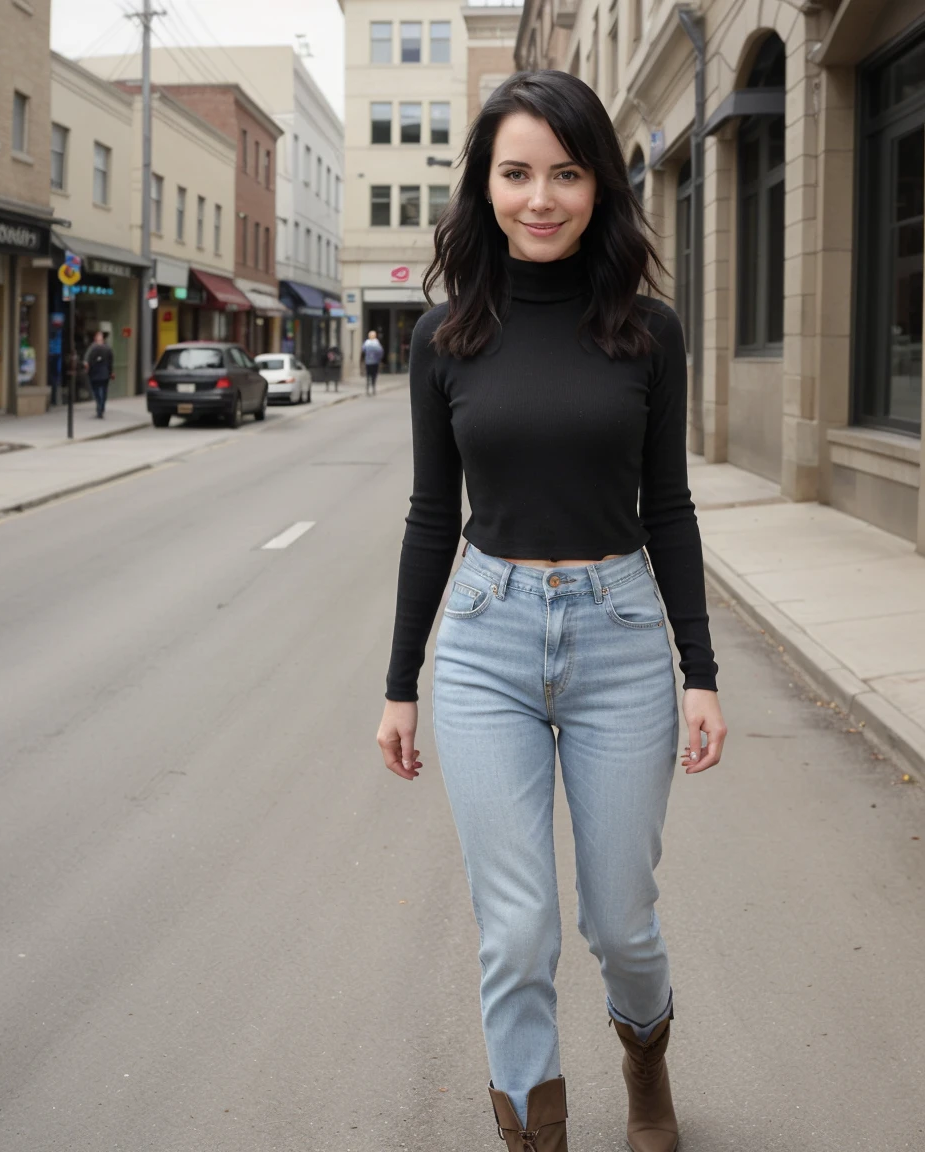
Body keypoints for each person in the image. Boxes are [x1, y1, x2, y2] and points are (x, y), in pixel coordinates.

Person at [376, 71, 726, 1152]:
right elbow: (433, 515)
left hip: (621, 640)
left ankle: (645, 1057)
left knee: (620, 922)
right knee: (516, 931)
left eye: (564, 173)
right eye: (516, 173)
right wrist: (401, 685)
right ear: (484, 187)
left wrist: (698, 666)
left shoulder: (648, 330)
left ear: (598, 186)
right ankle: (536, 1130)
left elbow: (664, 506)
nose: (540, 197)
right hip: (485, 638)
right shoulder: (444, 338)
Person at [84, 330, 113, 418]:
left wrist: (88, 370)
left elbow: (87, 361)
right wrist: (110, 372)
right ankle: (101, 408)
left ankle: (100, 408)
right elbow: (110, 362)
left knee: (97, 392)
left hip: (95, 374)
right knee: (103, 392)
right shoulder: (108, 348)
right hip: (104, 374)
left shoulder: (92, 348)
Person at [361, 330, 383, 395]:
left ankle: (370, 388)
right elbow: (380, 352)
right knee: (372, 375)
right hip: (373, 362)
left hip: (370, 362)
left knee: (370, 375)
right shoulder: (376, 343)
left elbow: (363, 351)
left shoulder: (367, 343)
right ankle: (371, 388)